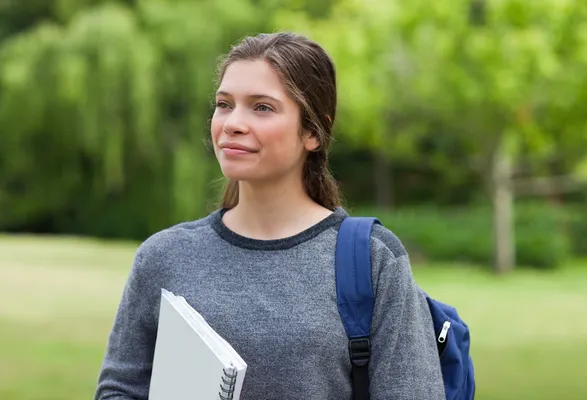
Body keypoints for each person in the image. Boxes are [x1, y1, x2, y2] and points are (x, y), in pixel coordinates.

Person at [94, 32, 446, 400]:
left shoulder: (372, 260)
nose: (232, 123)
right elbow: (119, 390)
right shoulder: (163, 257)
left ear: (313, 132)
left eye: (261, 107)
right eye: (224, 104)